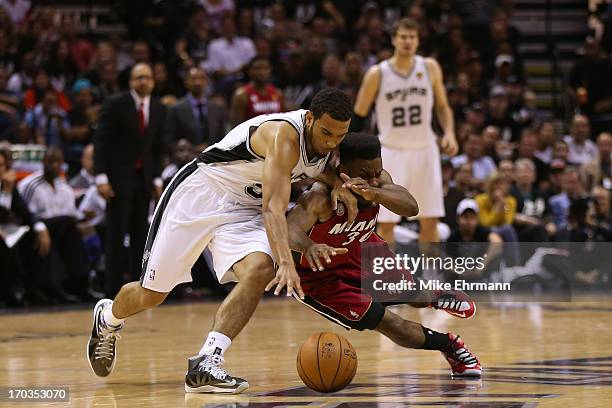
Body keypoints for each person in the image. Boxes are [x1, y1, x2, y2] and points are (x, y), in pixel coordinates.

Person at [86, 88, 356, 394]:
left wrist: (339, 184)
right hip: (199, 194)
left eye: (339, 136)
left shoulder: (325, 147)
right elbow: (272, 209)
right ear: (309, 119)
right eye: (326, 133)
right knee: (151, 294)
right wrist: (286, 262)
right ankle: (107, 318)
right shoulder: (284, 137)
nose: (332, 142)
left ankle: (206, 361)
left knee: (259, 269)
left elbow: (319, 170)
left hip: (241, 210)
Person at [285, 133, 481, 377]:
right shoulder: (319, 198)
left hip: (363, 250)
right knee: (392, 324)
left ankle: (436, 295)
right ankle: (450, 345)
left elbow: (411, 207)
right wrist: (309, 247)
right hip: (321, 278)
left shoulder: (378, 180)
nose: (374, 179)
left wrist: (375, 193)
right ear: (343, 168)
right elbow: (287, 230)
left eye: (377, 172)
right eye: (366, 174)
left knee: (415, 294)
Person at [352, 18, 458, 246]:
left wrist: (449, 132)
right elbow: (359, 114)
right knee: (387, 222)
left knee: (430, 219)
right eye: (403, 37)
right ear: (394, 40)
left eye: (412, 37)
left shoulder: (429, 67)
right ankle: (388, 278)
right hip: (391, 152)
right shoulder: (377, 73)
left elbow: (442, 106)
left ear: (418, 40)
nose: (407, 41)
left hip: (425, 150)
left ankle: (430, 278)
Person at [94, 63, 166, 297]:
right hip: (117, 179)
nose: (143, 81)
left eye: (147, 77)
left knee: (140, 234)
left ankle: (137, 287)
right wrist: (101, 177)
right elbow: (101, 143)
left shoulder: (158, 107)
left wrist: (156, 177)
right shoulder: (115, 104)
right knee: (116, 234)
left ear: (153, 82)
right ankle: (111, 289)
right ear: (131, 82)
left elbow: (157, 147)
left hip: (144, 179)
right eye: (138, 78)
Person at [165, 67, 227, 152]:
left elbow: (223, 138)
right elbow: (169, 141)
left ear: (206, 81)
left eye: (201, 78)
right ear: (185, 82)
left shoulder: (217, 109)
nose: (197, 83)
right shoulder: (175, 109)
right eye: (193, 79)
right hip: (186, 159)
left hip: (213, 159)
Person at [230, 57, 284, 127]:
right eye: (258, 68)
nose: (262, 72)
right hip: (252, 136)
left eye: (265, 68)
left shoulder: (278, 93)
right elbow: (236, 126)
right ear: (249, 71)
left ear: (270, 70)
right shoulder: (241, 95)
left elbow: (283, 122)